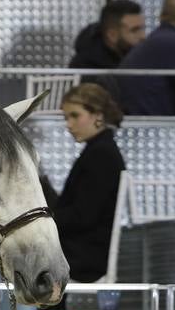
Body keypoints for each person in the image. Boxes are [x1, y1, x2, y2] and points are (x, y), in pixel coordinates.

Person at [50, 83, 126, 284]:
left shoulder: (101, 154)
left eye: (75, 116)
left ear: (97, 116)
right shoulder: (98, 150)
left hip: (85, 254)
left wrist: (44, 223)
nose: (69, 124)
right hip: (83, 247)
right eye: (66, 118)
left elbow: (83, 215)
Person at [70, 0, 146, 70]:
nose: (143, 36)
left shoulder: (138, 57)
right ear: (112, 35)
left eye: (142, 28)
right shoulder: (86, 67)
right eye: (134, 30)